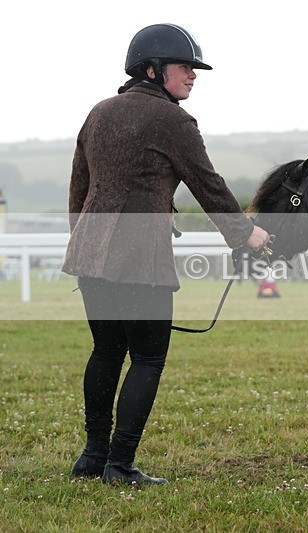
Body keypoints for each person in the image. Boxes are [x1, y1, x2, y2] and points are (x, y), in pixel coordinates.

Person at [61, 23, 270, 486]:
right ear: (153, 70)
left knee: (106, 351)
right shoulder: (174, 121)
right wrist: (244, 234)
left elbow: (79, 185)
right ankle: (119, 465)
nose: (193, 75)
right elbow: (208, 184)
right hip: (140, 257)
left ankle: (92, 458)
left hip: (91, 255)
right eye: (185, 67)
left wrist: (84, 245)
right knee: (148, 358)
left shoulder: (98, 112)